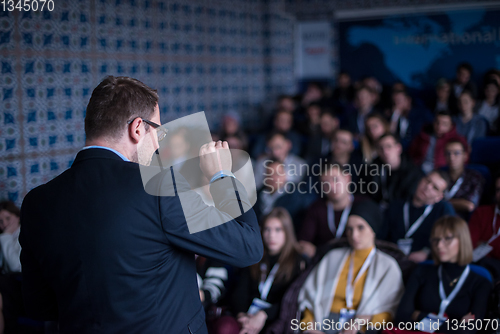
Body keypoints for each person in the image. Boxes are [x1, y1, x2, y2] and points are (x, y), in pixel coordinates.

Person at [19, 76, 264, 333]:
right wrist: (222, 175)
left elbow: (39, 306)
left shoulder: (37, 202)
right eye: (157, 130)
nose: (158, 142)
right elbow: (248, 247)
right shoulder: (157, 185)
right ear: (137, 128)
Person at [298, 201, 404, 334]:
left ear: (373, 229)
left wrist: (362, 322)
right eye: (350, 228)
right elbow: (308, 299)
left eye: (361, 227)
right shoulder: (332, 258)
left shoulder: (388, 266)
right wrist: (309, 328)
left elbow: (390, 311)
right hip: (323, 323)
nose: (354, 235)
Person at [391, 216, 492, 334]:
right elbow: (401, 320)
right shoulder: (421, 271)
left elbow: (469, 331)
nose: (439, 245)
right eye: (435, 240)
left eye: (447, 239)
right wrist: (455, 325)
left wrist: (419, 315)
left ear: (463, 240)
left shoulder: (481, 282)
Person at [217, 208, 306, 334]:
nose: (271, 235)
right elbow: (240, 291)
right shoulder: (254, 255)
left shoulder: (298, 262)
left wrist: (263, 315)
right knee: (225, 326)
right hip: (246, 316)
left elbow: (290, 301)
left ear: (287, 232)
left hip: (275, 319)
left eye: (278, 230)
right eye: (267, 229)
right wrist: (242, 316)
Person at [297, 164, 373, 259]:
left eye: (335, 179)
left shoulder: (364, 205)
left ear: (347, 178)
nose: (332, 186)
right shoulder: (316, 208)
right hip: (324, 260)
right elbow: (303, 243)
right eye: (325, 183)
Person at [381, 170, 455, 263]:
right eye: (427, 181)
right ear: (421, 180)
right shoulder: (396, 205)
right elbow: (381, 237)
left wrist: (428, 253)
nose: (428, 187)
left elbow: (450, 242)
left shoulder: (443, 210)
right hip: (390, 259)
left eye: (435, 188)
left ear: (439, 197)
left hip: (423, 265)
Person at [254, 160, 315, 228]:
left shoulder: (298, 196)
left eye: (277, 174)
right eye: (269, 174)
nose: (273, 178)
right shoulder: (257, 196)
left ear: (285, 175)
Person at [369, 133, 424, 208]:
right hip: (377, 207)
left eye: (389, 146)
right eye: (380, 148)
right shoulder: (373, 167)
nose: (385, 151)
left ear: (398, 148)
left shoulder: (413, 172)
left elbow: (409, 199)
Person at [468, 173, 500, 279]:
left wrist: (486, 244)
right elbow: (469, 244)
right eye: (498, 190)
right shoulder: (482, 212)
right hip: (477, 266)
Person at [443, 140, 484, 219]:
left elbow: (469, 205)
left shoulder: (475, 177)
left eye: (456, 153)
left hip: (460, 221)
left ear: (465, 155)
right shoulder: (440, 174)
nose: (451, 157)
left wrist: (442, 202)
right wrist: (459, 203)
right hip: (438, 217)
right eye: (448, 154)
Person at [0, 201, 22, 334]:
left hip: (21, 286)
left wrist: (6, 236)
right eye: (0, 221)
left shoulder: (24, 234)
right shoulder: (3, 237)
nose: (4, 224)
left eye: (8, 218)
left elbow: (16, 266)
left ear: (17, 216)